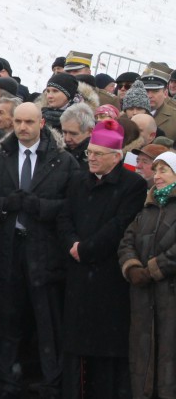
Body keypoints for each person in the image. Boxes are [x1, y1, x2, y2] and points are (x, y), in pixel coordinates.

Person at [0, 102, 80, 398]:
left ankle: (52, 382)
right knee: (5, 320)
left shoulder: (62, 161)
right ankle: (7, 380)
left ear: (41, 124)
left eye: (29, 122)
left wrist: (41, 207)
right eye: (18, 122)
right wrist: (4, 204)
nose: (22, 128)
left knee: (48, 321)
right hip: (8, 248)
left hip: (45, 250)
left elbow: (73, 205)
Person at [58, 118, 144, 399]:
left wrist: (86, 249)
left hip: (107, 277)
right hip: (78, 274)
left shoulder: (132, 186)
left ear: (116, 157)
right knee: (76, 351)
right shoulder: (78, 180)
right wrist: (72, 243)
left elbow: (120, 226)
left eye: (98, 154)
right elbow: (65, 216)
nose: (91, 158)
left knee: (105, 354)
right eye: (89, 152)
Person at [118, 151, 176, 399]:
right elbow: (126, 241)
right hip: (143, 299)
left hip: (169, 296)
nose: (158, 175)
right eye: (156, 169)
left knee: (169, 356)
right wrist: (132, 268)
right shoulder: (147, 207)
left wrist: (152, 270)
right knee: (143, 357)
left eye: (164, 170)